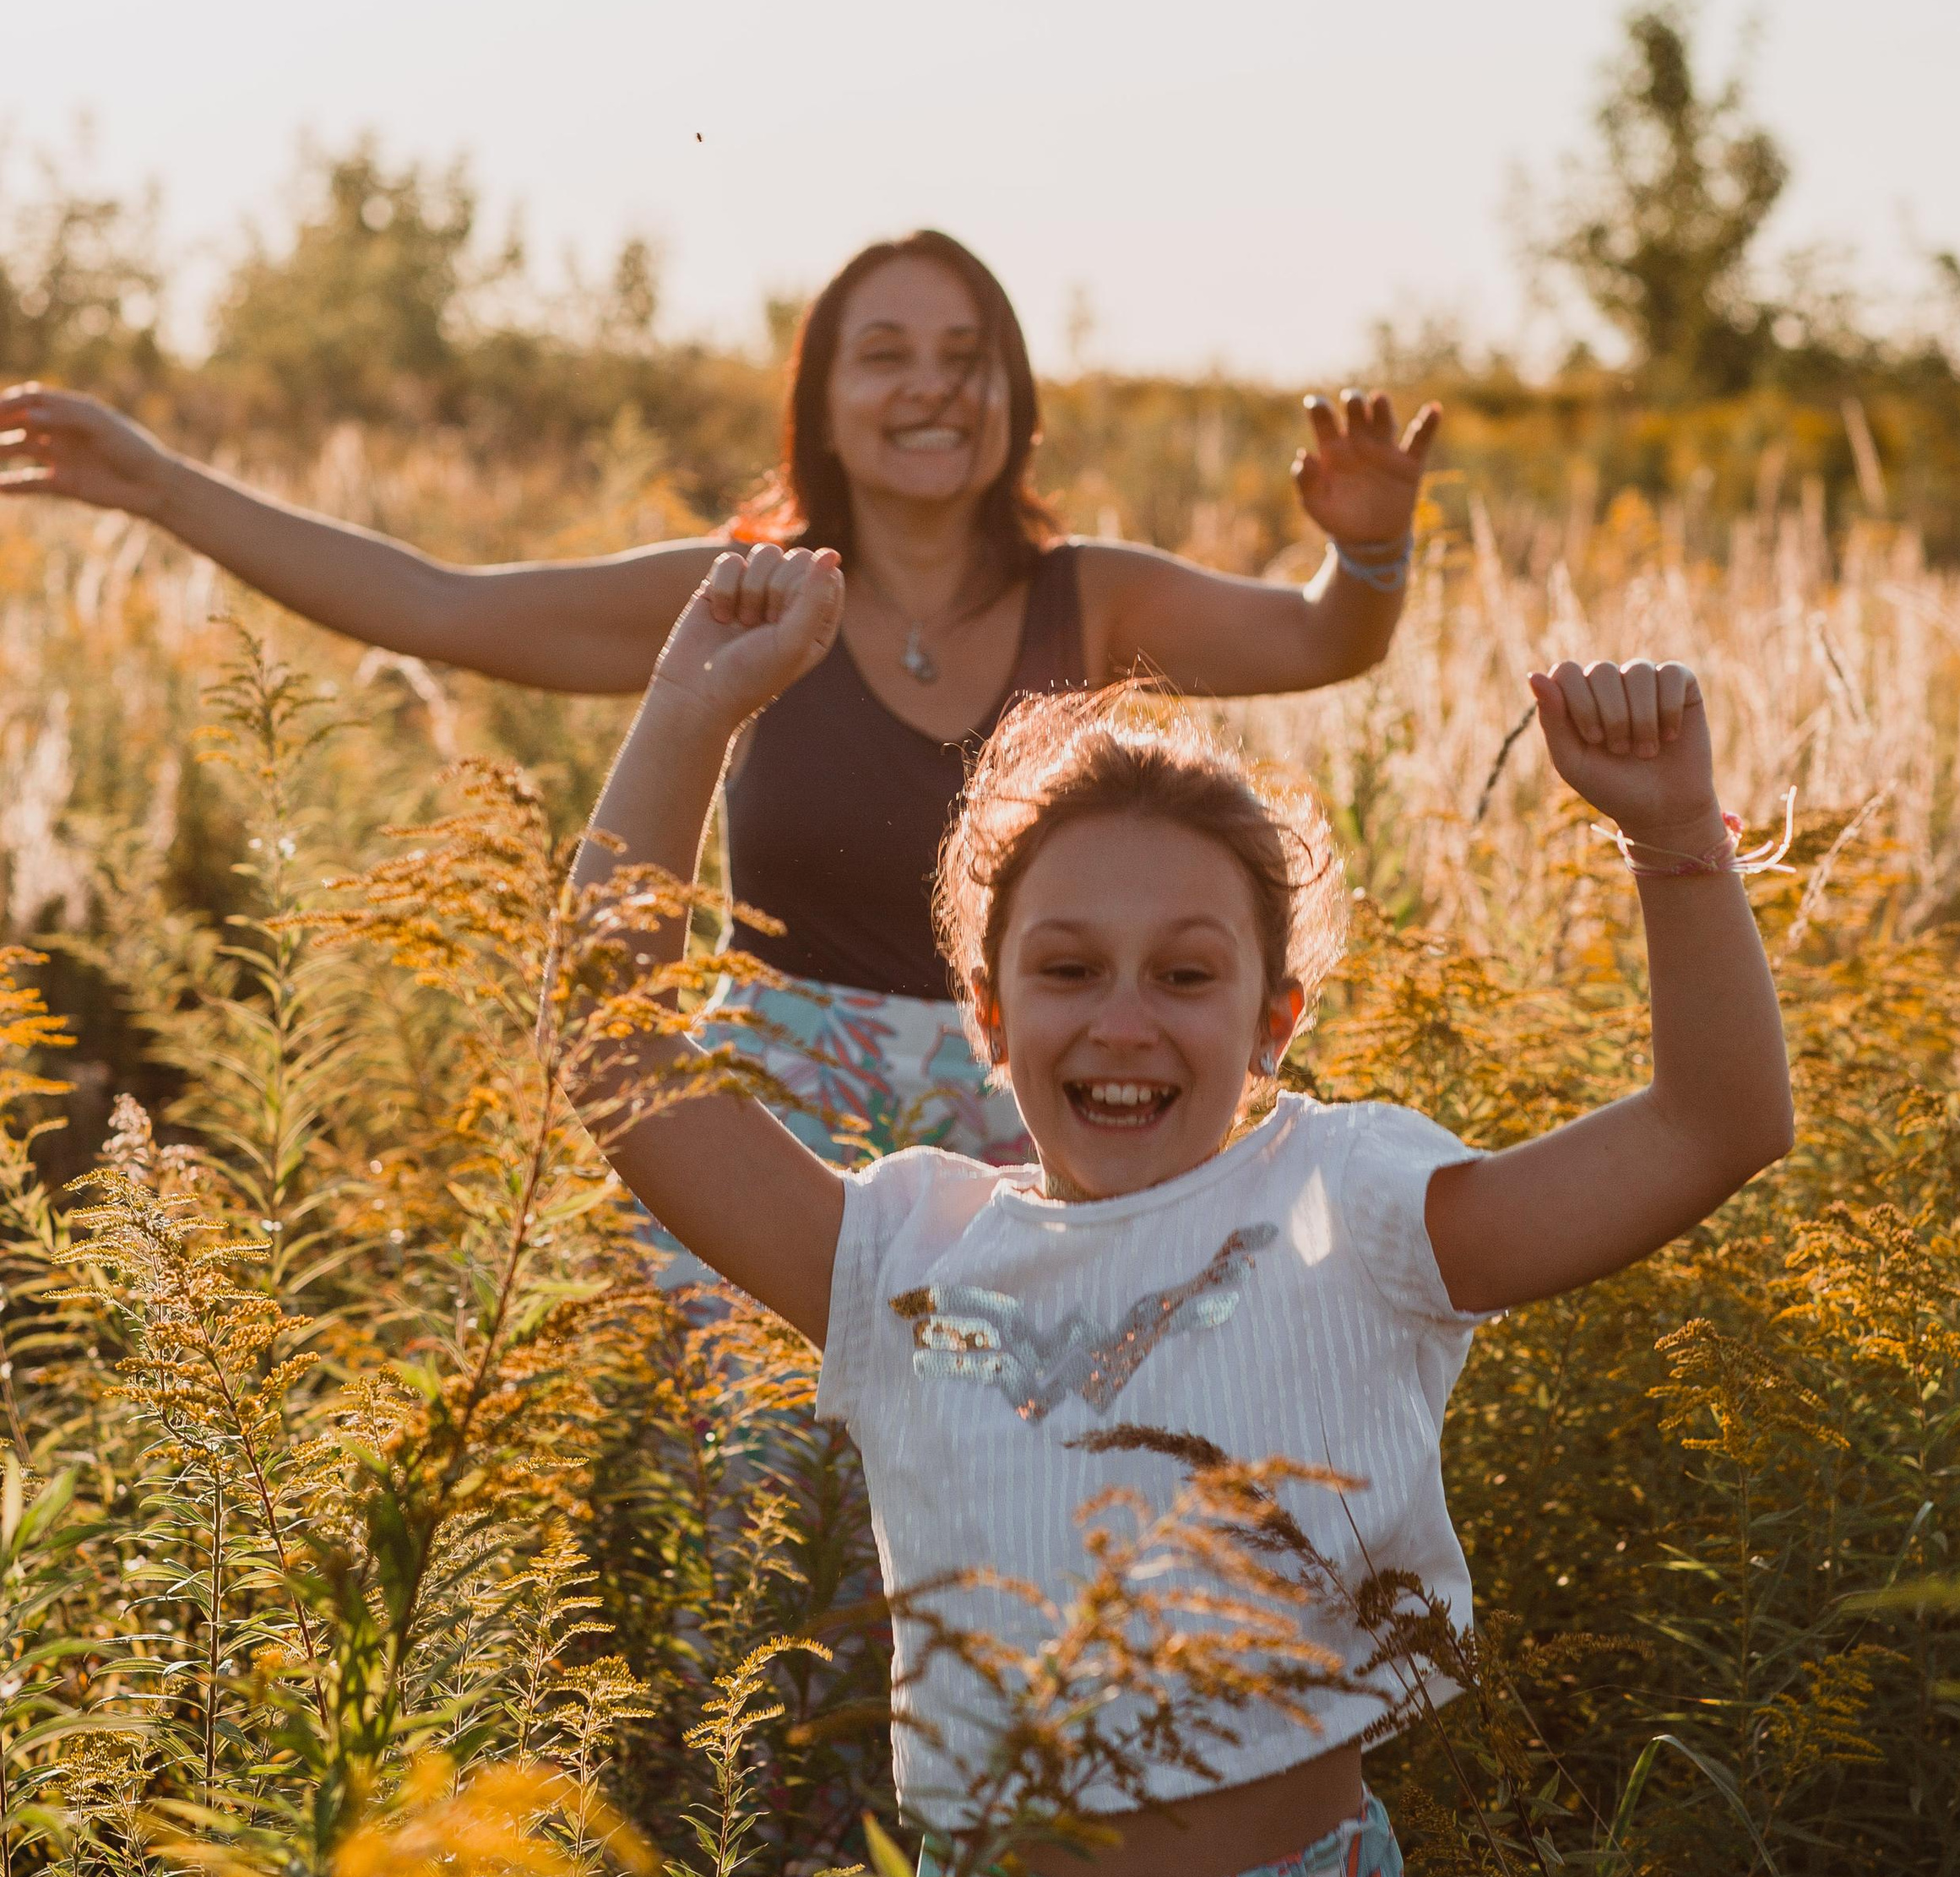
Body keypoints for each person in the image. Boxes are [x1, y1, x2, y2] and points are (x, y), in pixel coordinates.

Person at [561, 539, 1795, 1877]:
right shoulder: (902, 1257)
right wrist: (694, 707)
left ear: (1276, 1007)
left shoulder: (1361, 1219)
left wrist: (1669, 840)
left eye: (1184, 971)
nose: (1120, 1020)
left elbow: (1709, 1126)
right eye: (1063, 967)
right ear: (981, 1004)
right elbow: (616, 1062)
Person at [0, 231, 1437, 1177]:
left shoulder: (1096, 597)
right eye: (887, 355)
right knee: (769, 1588)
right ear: (821, 399)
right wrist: (159, 488)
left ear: (1015, 397)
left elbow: (1327, 639)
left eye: (966, 357)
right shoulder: (746, 598)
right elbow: (436, 604)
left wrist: (1367, 544)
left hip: (1052, 1133)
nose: (931, 389)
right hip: (775, 1162)